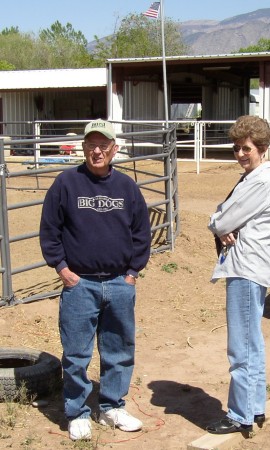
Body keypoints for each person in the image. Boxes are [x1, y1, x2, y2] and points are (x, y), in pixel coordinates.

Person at [39, 119, 151, 441]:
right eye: (91, 145)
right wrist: (62, 269)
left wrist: (132, 273)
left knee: (119, 349)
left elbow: (141, 232)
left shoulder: (127, 188)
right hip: (80, 284)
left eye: (104, 145)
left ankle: (112, 406)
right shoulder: (66, 183)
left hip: (119, 283)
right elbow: (50, 229)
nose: (97, 151)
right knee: (76, 352)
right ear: (84, 148)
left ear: (115, 149)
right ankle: (77, 412)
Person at [207, 115, 270, 435]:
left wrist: (218, 223)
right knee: (252, 342)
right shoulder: (253, 178)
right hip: (249, 266)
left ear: (262, 148)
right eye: (236, 148)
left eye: (246, 148)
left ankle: (240, 414)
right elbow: (227, 218)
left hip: (246, 267)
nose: (240, 154)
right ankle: (254, 408)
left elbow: (221, 221)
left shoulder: (261, 181)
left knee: (242, 345)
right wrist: (224, 221)